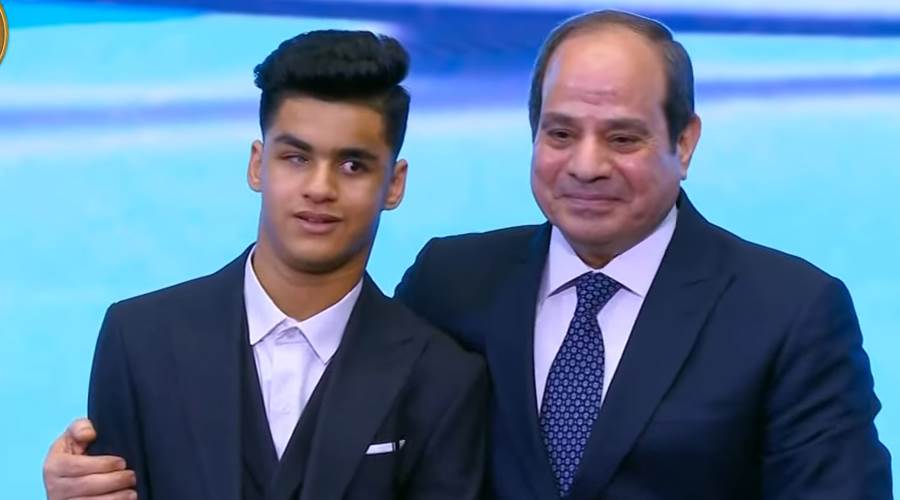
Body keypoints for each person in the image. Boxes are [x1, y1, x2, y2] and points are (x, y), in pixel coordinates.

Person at [45, 10, 892, 500]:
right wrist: (76, 482)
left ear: (687, 141)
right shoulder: (455, 283)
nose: (586, 164)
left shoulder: (790, 312)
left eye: (624, 137)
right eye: (560, 132)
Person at [42, 29, 487, 500]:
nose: (320, 187)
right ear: (258, 165)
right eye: (296, 158)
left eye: (353, 165)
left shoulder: (444, 378)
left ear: (394, 184)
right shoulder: (138, 340)